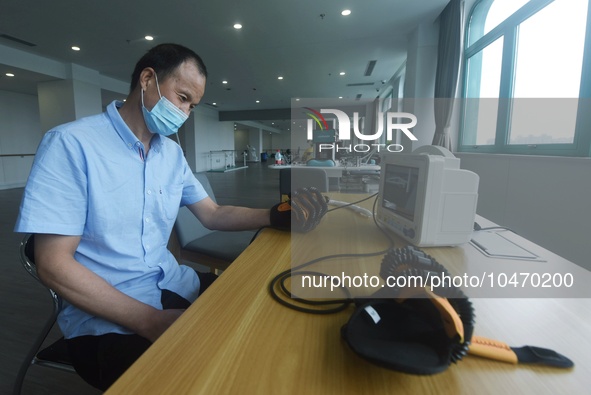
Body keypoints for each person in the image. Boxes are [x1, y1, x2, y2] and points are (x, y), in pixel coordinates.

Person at [14, 43, 326, 390]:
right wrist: (150, 320)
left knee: (262, 308)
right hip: (109, 320)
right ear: (148, 79)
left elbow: (213, 213)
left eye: (192, 106)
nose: (185, 113)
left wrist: (273, 215)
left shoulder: (171, 154)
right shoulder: (71, 144)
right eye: (182, 98)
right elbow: (52, 263)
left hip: (174, 284)